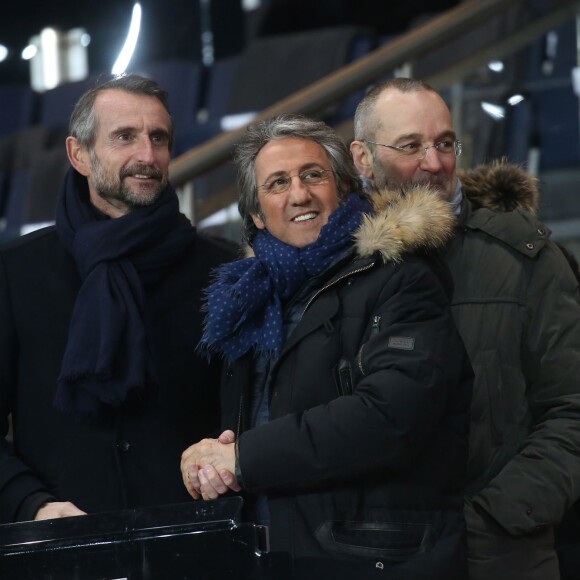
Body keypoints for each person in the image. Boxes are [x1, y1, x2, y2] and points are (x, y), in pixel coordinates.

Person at [180, 113, 473, 579]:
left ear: (341, 188)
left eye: (312, 175)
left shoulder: (402, 279)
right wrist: (209, 460)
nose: (299, 194)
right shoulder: (247, 302)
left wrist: (243, 459)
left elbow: (388, 418)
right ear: (256, 214)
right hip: (275, 556)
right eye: (277, 183)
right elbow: (248, 429)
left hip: (379, 561)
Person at [349, 77, 580, 580]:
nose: (435, 163)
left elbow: (571, 408)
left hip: (497, 554)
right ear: (363, 159)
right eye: (411, 146)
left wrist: (495, 516)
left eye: (445, 143)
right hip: (366, 553)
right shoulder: (333, 263)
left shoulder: (526, 258)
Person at [0, 74, 236, 523]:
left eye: (159, 138)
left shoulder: (219, 269)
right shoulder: (15, 272)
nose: (146, 156)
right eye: (124, 137)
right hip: (60, 550)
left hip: (195, 545)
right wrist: (32, 505)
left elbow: (245, 415)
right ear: (79, 154)